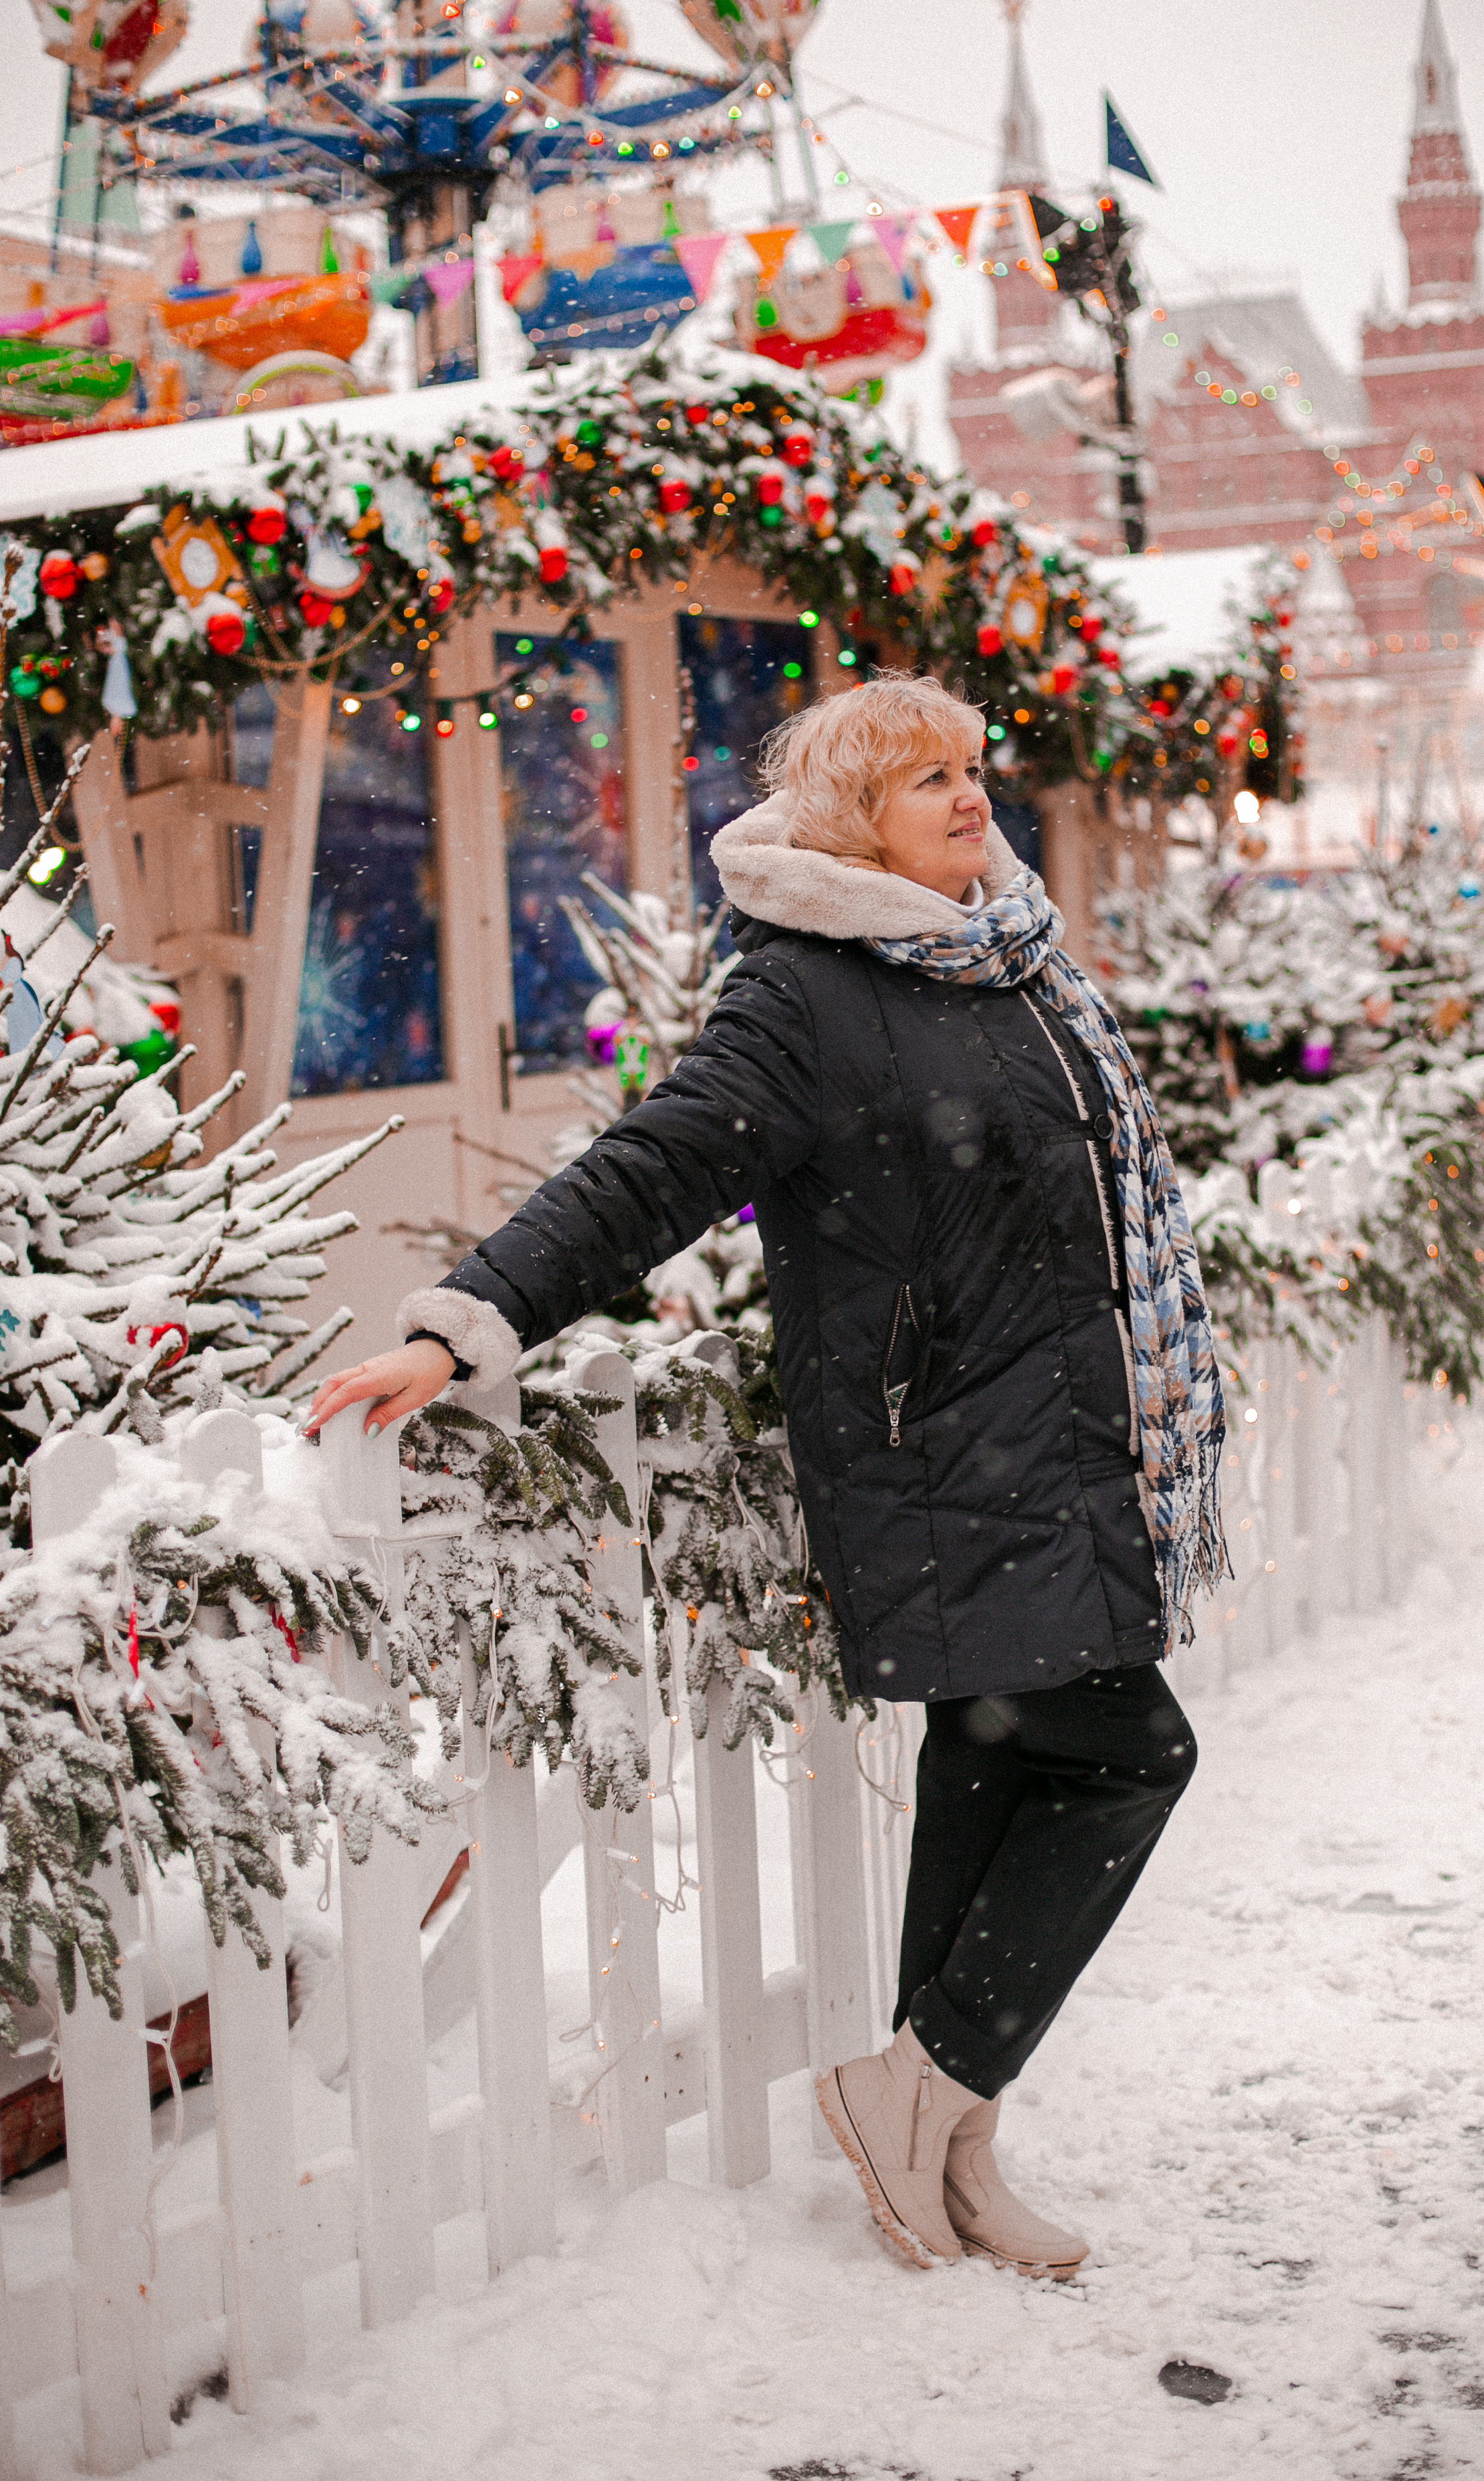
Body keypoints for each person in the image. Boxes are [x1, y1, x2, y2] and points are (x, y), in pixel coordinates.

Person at [306, 673, 1225, 2281]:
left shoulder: (1006, 960)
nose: (964, 795)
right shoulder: (804, 995)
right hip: (938, 1451)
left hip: (1062, 1438)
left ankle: (944, 2139)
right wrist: (465, 1325)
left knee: (995, 1765)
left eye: (968, 767)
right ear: (846, 821)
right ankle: (919, 2085)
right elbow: (652, 1166)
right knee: (1125, 1755)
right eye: (920, 778)